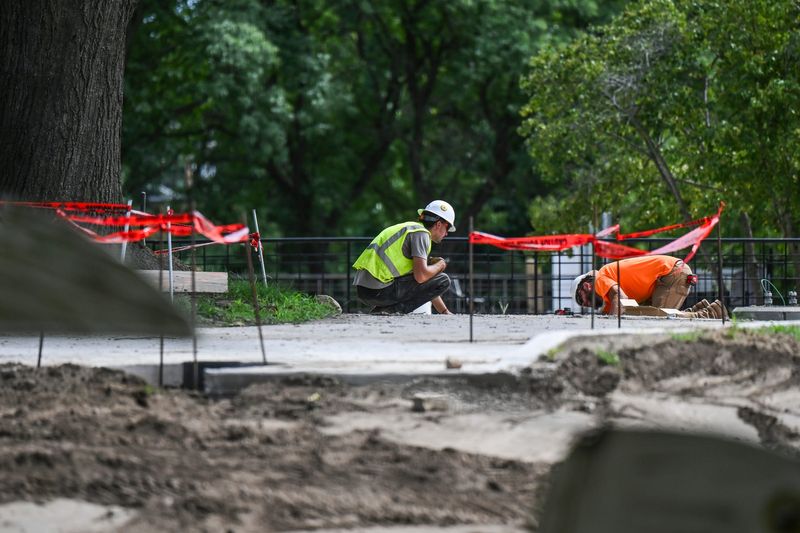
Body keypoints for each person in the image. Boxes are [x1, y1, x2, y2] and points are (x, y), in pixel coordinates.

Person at [353, 200, 455, 315]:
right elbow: (422, 277)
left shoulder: (411, 229)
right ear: (439, 224)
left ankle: (382, 311)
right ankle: (389, 311)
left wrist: (445, 312)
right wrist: (440, 265)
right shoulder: (421, 234)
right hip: (378, 290)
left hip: (365, 290)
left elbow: (426, 284)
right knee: (443, 280)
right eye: (447, 228)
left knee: (433, 277)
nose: (446, 234)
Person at [570, 255, 727, 318]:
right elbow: (622, 308)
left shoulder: (599, 278)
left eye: (580, 299)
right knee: (644, 313)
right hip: (670, 275)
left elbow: (621, 298)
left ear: (586, 286)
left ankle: (710, 313)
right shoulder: (607, 297)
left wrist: (611, 322)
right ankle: (702, 308)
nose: (584, 305)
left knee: (662, 317)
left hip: (672, 273)